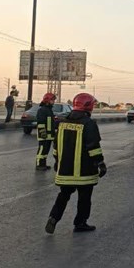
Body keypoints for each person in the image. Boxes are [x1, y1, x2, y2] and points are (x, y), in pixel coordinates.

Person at [45, 93, 106, 234]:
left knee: (63, 195)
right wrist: (101, 163)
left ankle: (53, 217)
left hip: (65, 170)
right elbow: (93, 147)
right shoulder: (89, 124)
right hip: (84, 171)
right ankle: (80, 223)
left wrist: (57, 162)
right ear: (88, 106)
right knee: (84, 198)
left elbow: (56, 146)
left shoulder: (62, 122)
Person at [35, 92, 57, 171]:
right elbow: (41, 122)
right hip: (44, 135)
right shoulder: (42, 110)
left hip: (49, 135)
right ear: (47, 100)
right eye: (52, 100)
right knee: (42, 149)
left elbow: (51, 123)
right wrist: (43, 133)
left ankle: (43, 164)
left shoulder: (49, 110)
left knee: (46, 150)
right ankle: (39, 164)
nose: (53, 101)